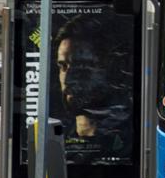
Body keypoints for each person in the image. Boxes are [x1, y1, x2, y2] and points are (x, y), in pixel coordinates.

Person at [53, 14, 133, 163]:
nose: (68, 79)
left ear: (111, 68)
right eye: (63, 66)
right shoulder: (57, 140)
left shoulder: (129, 138)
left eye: (82, 66)